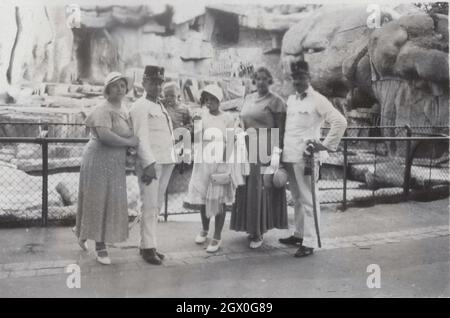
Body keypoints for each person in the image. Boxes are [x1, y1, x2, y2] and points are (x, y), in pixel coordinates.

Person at [279, 60, 347, 257]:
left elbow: (340, 121)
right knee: (298, 198)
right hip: (290, 155)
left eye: (301, 77)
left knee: (308, 198)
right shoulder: (292, 100)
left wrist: (324, 145)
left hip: (306, 157)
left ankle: (309, 242)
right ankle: (299, 234)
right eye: (294, 78)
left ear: (309, 78)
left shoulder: (318, 99)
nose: (297, 81)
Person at [75, 72, 139, 265]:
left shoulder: (125, 108)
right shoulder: (103, 109)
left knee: (109, 200)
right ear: (107, 89)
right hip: (98, 159)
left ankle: (82, 232)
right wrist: (129, 142)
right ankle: (100, 247)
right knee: (99, 200)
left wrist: (130, 147)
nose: (119, 89)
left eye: (122, 86)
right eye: (115, 86)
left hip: (115, 161)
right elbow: (105, 136)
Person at [230, 66, 288, 249]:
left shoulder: (277, 101)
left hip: (264, 150)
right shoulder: (248, 98)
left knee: (258, 189)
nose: (261, 81)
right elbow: (242, 120)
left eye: (265, 78)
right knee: (245, 188)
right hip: (246, 148)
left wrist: (276, 157)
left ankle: (258, 232)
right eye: (258, 78)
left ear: (269, 81)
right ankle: (249, 226)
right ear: (254, 80)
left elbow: (281, 132)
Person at [129, 65, 176, 265]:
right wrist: (148, 163)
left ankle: (149, 244)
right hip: (152, 163)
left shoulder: (159, 105)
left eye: (160, 82)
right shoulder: (140, 106)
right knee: (149, 205)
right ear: (144, 83)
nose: (157, 86)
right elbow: (141, 137)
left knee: (155, 205)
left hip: (165, 161)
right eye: (153, 82)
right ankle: (148, 248)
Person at [186, 84, 238, 253]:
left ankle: (217, 236)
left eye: (213, 99)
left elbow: (231, 142)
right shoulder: (201, 115)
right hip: (203, 162)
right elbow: (197, 139)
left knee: (218, 199)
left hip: (220, 161)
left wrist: (225, 163)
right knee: (203, 198)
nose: (210, 103)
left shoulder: (228, 118)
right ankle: (204, 229)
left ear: (219, 100)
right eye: (207, 99)